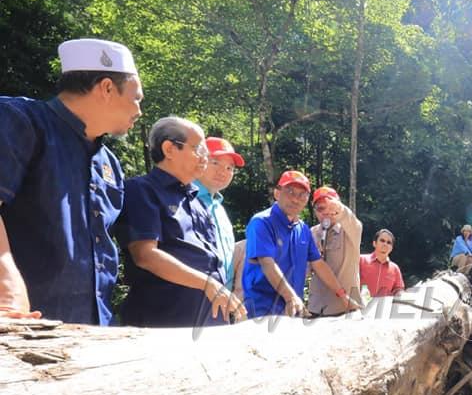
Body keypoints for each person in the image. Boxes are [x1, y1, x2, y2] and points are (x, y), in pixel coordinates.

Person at [0, 38, 143, 324]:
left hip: (93, 330)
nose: (139, 111)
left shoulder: (110, 164)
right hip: (21, 326)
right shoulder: (19, 120)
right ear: (106, 88)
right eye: (136, 98)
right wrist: (6, 287)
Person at [117, 117, 245, 327]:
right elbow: (145, 255)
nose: (204, 156)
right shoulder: (142, 190)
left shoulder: (196, 201)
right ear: (169, 149)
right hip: (164, 321)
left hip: (209, 320)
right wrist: (207, 284)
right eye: (198, 148)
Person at [242, 170, 349, 318]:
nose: (295, 199)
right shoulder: (261, 222)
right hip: (262, 310)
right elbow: (267, 264)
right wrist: (291, 297)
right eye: (290, 192)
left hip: (292, 312)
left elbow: (319, 264)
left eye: (302, 195)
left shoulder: (303, 229)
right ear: (277, 193)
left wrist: (344, 297)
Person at [196, 137, 244, 285]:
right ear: (199, 160)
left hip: (220, 301)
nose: (223, 171)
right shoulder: (183, 200)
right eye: (215, 162)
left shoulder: (219, 209)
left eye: (230, 168)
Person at [308, 186, 362, 316]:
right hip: (316, 309)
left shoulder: (350, 231)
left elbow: (352, 221)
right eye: (321, 208)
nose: (326, 212)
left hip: (345, 309)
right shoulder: (312, 233)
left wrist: (339, 209)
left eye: (330, 208)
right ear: (315, 211)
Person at [359, 229, 405, 297]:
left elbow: (398, 289)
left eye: (389, 242)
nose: (385, 244)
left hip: (383, 307)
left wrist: (400, 294)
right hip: (360, 305)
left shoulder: (395, 268)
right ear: (374, 243)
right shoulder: (361, 260)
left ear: (391, 248)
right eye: (382, 240)